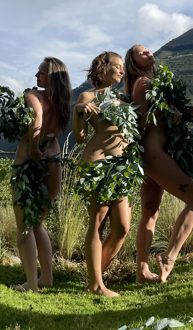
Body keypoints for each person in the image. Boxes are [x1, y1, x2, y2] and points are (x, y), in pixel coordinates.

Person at [125, 45, 193, 283]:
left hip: (152, 153)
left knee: (151, 211)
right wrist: (165, 112)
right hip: (152, 153)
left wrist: (182, 114)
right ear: (133, 62)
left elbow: (162, 117)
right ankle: (169, 257)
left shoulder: (155, 82)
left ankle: (142, 273)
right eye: (140, 53)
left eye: (147, 49)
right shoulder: (141, 83)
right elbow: (138, 121)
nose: (147, 52)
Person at [73, 51, 132, 297]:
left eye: (123, 67)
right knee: (97, 223)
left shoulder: (122, 97)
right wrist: (79, 112)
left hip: (121, 167)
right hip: (98, 163)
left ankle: (94, 276)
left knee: (122, 227)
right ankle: (97, 284)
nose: (122, 71)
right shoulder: (88, 96)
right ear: (103, 67)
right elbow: (79, 137)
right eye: (117, 66)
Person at [12, 57, 72, 293]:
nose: (36, 77)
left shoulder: (32, 95)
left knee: (24, 225)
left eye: (41, 73)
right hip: (54, 162)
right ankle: (46, 278)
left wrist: (35, 149)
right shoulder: (63, 102)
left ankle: (32, 284)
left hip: (30, 159)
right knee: (37, 223)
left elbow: (36, 117)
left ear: (53, 76)